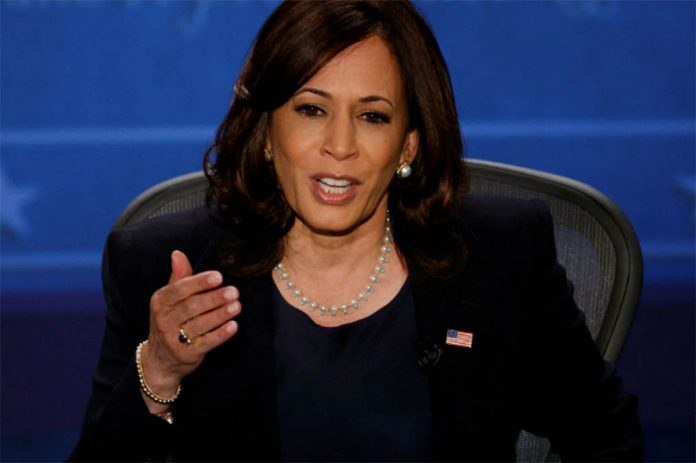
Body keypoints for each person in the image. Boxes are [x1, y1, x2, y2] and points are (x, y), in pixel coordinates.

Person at [69, 1, 642, 461]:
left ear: (407, 146)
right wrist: (161, 373)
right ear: (267, 133)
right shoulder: (165, 266)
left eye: (373, 116)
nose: (339, 147)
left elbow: (607, 438)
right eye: (311, 109)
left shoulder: (499, 258)